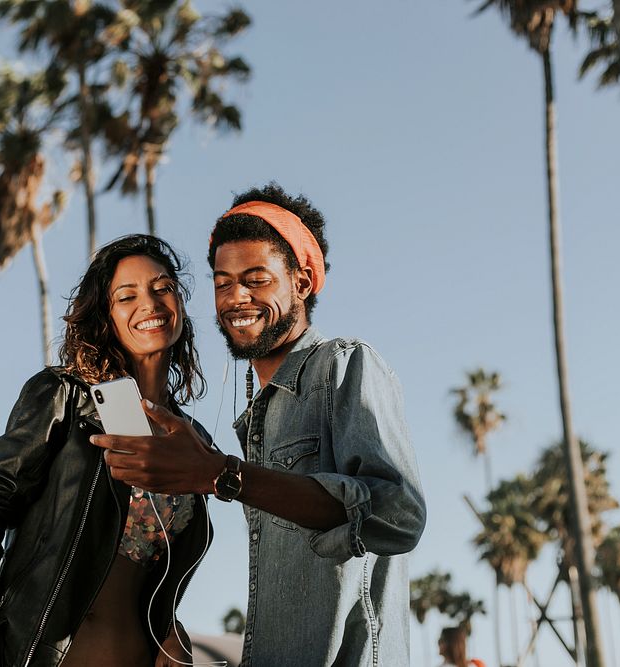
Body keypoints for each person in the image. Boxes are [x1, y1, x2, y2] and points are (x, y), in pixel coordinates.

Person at [91, 183, 428, 666]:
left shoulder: (343, 365)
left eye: (256, 279)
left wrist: (221, 475)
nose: (236, 298)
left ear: (302, 282)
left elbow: (399, 514)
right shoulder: (255, 417)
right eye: (223, 282)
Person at [0, 234, 214, 667]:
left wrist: (172, 630)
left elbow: (154, 572)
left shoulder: (191, 439)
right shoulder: (65, 396)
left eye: (162, 288)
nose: (150, 304)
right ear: (106, 316)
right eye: (127, 296)